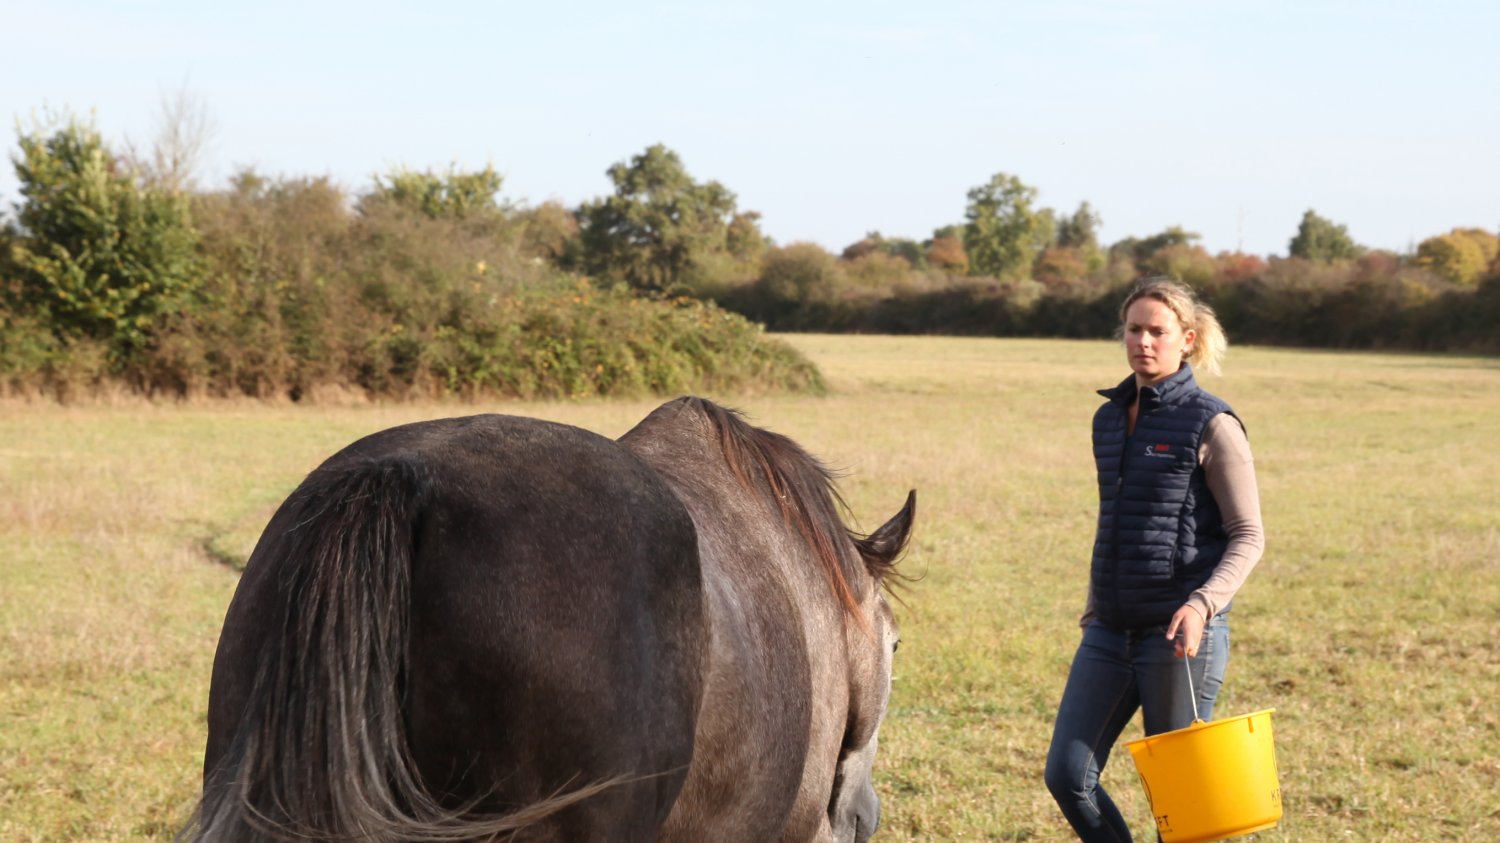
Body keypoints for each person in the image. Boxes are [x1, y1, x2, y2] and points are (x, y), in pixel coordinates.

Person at [1044, 277, 1266, 842]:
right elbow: (1117, 519)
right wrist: (1095, 605)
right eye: (1134, 329)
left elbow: (1248, 535)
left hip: (1180, 636)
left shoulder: (1212, 422)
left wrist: (1201, 605)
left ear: (1186, 339)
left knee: (1181, 800)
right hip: (1109, 631)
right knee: (1067, 775)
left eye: (1157, 332)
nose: (1143, 341)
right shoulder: (1108, 419)